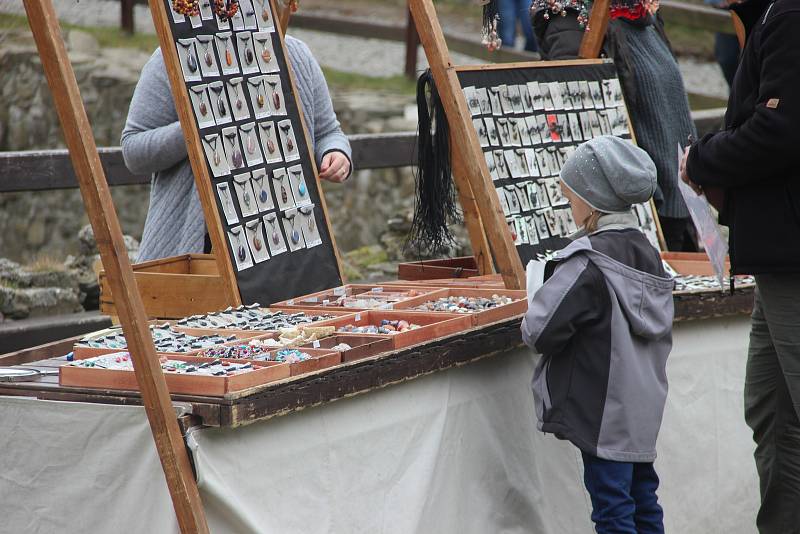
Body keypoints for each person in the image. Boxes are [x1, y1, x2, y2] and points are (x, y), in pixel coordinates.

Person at [682, 1, 800, 531]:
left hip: (792, 258)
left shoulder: (791, 16)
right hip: (775, 257)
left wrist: (702, 160)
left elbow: (778, 129)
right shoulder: (771, 16)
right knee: (772, 413)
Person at [522, 136, 674, 534]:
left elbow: (538, 331)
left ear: (591, 200)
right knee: (643, 500)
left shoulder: (587, 262)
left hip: (602, 411)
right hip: (641, 411)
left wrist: (539, 288)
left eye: (570, 196)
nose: (569, 205)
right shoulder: (648, 252)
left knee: (612, 511)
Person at [122, 36, 352, 262]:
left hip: (287, 242)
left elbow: (328, 132)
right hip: (198, 248)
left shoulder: (296, 53)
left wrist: (336, 153)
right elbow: (134, 151)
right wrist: (193, 127)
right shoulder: (170, 57)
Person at [531, 0, 697, 251]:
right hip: (637, 207)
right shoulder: (571, 18)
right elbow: (578, 113)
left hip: (677, 197)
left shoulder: (642, 14)